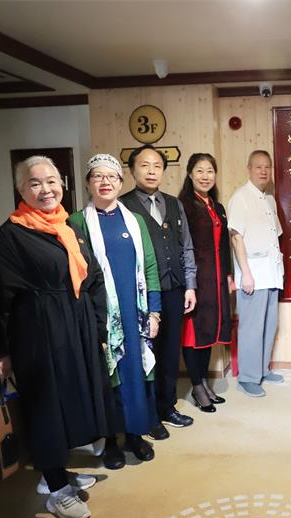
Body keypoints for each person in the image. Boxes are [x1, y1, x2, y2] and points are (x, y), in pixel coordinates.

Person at [0, 155, 108, 518]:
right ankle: (56, 490)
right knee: (46, 408)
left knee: (71, 402)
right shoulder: (10, 235)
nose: (45, 189)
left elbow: (92, 278)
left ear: (62, 184)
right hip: (38, 333)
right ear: (21, 190)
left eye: (51, 181)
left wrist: (98, 329)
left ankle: (56, 471)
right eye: (34, 183)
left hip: (76, 328)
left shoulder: (67, 226)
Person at [69, 153, 162, 467]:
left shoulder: (134, 221)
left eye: (111, 176)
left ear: (121, 183)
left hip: (134, 312)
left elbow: (150, 266)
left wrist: (155, 312)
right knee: (108, 377)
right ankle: (110, 440)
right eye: (97, 176)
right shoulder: (77, 222)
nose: (105, 182)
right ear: (88, 183)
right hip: (100, 316)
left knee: (136, 373)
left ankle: (135, 435)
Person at [120, 145, 197, 439]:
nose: (151, 171)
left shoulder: (174, 204)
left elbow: (186, 246)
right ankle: (148, 413)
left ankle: (167, 406)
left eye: (157, 166)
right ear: (132, 170)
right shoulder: (124, 205)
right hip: (141, 294)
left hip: (174, 288)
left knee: (169, 350)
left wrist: (190, 285)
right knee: (145, 352)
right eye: (144, 165)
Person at [227, 150, 285, 397]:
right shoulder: (240, 197)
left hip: (272, 273)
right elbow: (236, 237)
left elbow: (274, 236)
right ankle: (248, 378)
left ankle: (262, 369)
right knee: (251, 328)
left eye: (267, 167)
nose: (263, 171)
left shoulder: (269, 199)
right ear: (249, 168)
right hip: (253, 275)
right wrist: (246, 274)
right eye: (258, 166)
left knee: (269, 325)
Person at [178, 153, 232, 412]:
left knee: (209, 331)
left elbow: (225, 245)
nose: (205, 176)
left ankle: (206, 384)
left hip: (216, 279)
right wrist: (188, 282)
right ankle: (197, 386)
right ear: (190, 174)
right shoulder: (183, 206)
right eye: (199, 171)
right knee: (193, 334)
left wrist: (229, 275)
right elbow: (182, 247)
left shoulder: (216, 206)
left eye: (209, 171)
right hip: (196, 279)